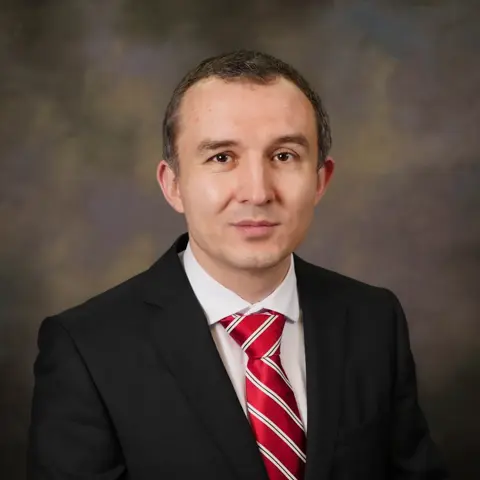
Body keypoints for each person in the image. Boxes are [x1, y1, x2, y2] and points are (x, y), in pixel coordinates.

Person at [27, 50, 449, 480]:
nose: (257, 192)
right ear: (173, 185)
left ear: (320, 181)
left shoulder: (373, 320)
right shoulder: (87, 348)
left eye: (283, 156)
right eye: (222, 157)